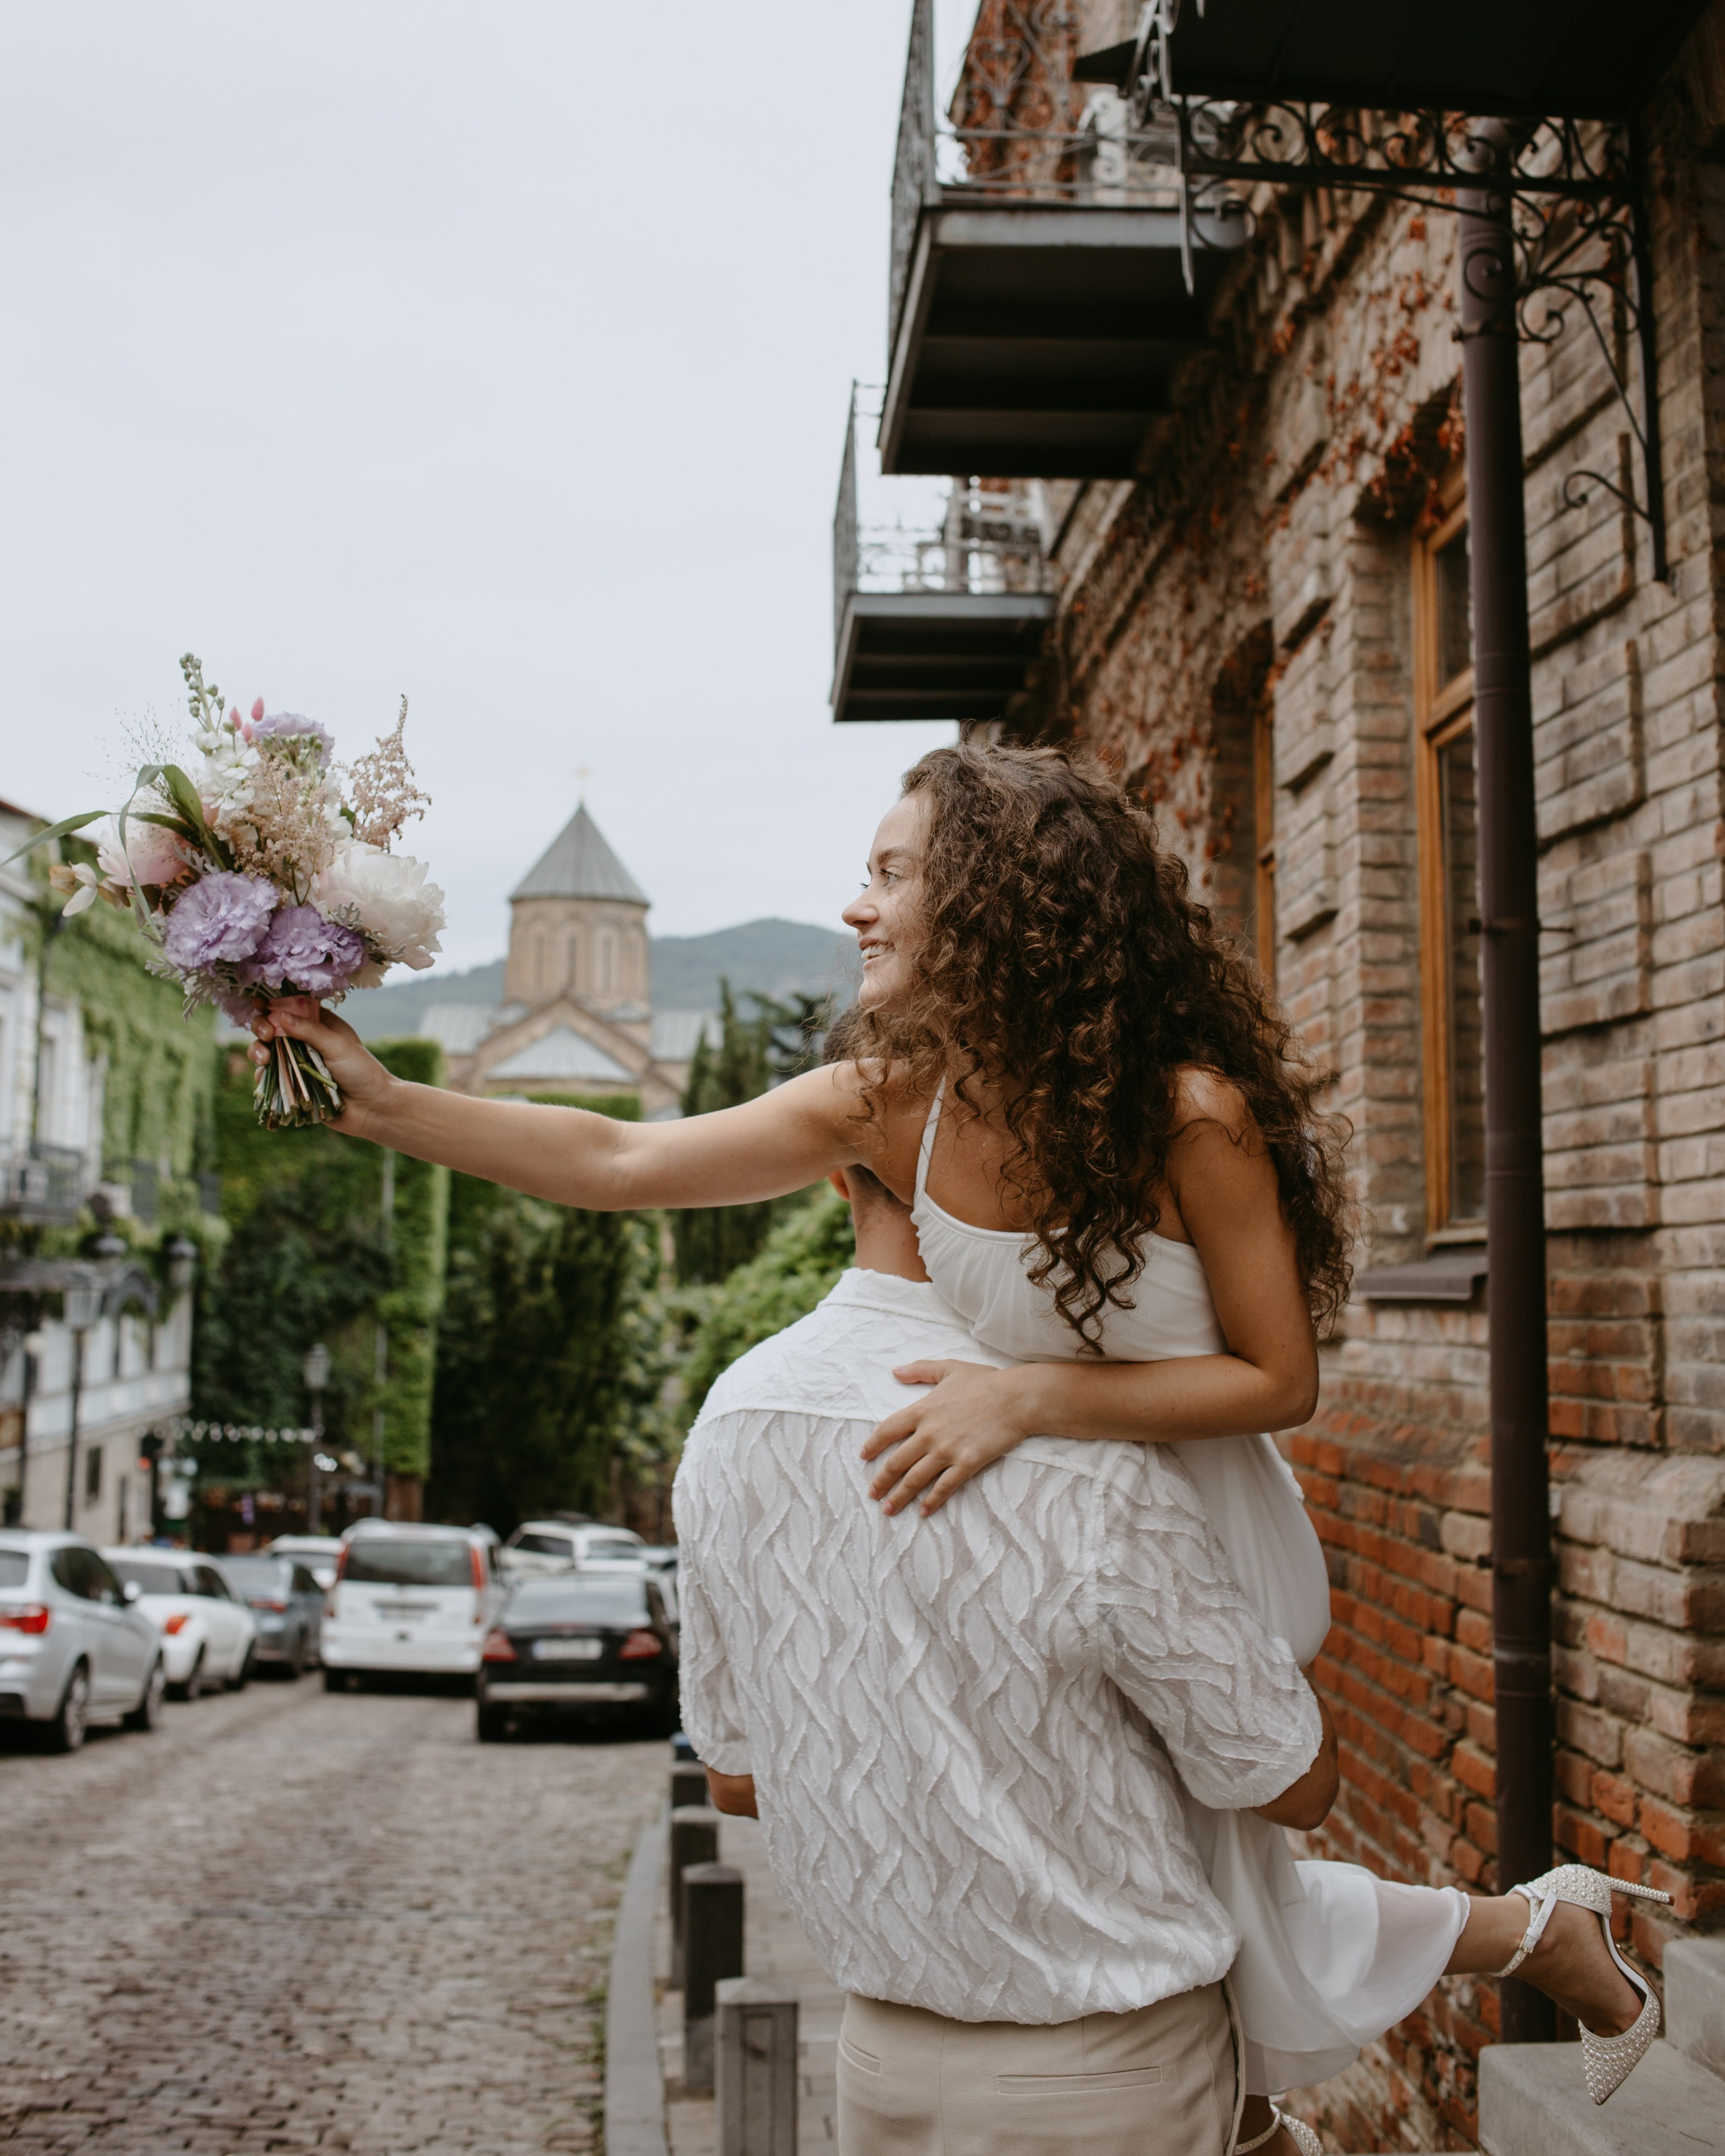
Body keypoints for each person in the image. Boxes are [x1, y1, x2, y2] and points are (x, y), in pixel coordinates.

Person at [254, 744, 1665, 2127]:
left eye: (889, 873)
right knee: (1193, 1892)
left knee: (1216, 1893)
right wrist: (383, 1106)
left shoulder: (1189, 1112)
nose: (855, 908)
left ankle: (1470, 1975)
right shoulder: (895, 1104)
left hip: (1190, 1506)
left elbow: (1278, 1376)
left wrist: (1034, 1398)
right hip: (1049, 1500)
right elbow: (620, 1160)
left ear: (998, 901)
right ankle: (1498, 1956)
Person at [677, 1155, 1339, 2156]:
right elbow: (1294, 1785)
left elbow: (733, 1778)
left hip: (876, 2066)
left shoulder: (733, 1415)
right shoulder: (1093, 1439)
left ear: (835, 1180)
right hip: (1106, 2077)